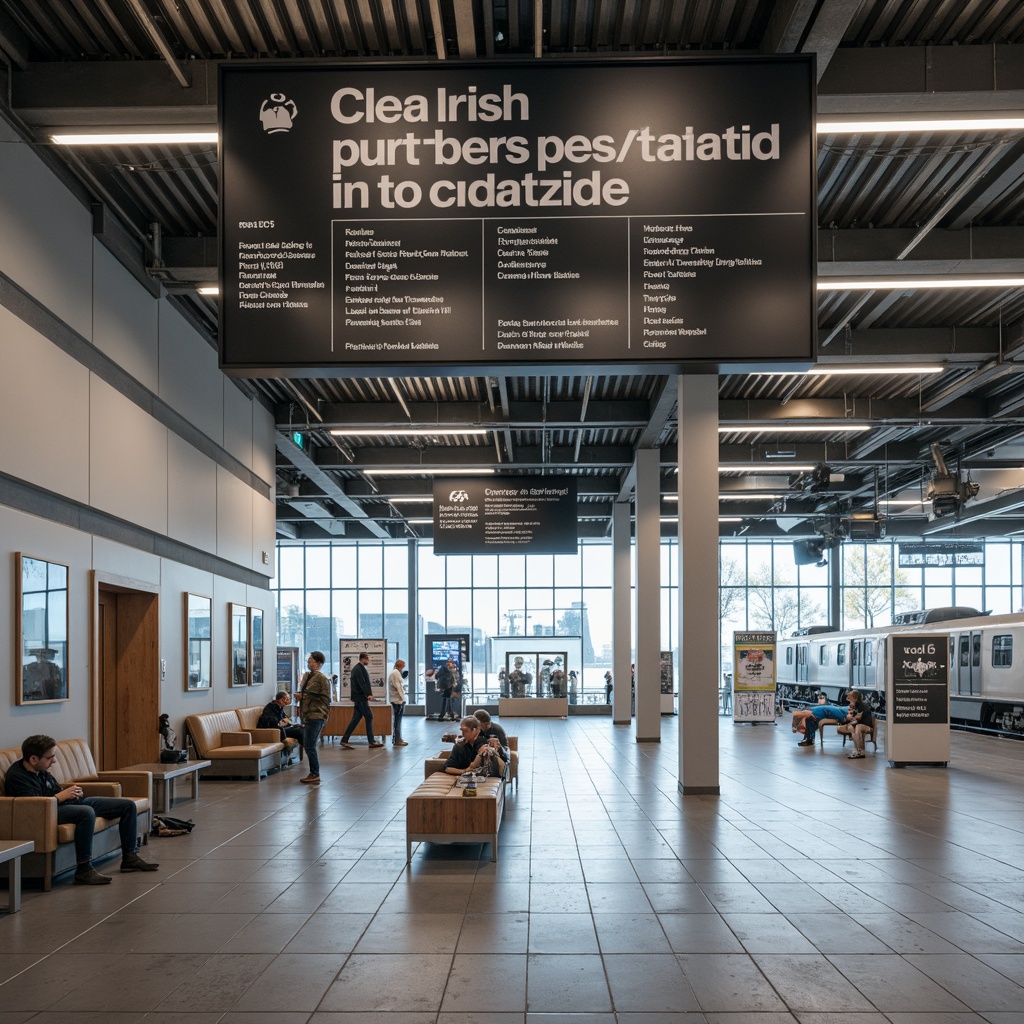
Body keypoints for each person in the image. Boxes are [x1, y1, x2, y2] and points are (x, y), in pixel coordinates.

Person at [4, 734, 158, 884]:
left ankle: (130, 857)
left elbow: (54, 791)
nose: (55, 761)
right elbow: (34, 808)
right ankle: (84, 869)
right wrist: (61, 797)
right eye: (50, 757)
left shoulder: (40, 770)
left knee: (127, 806)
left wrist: (72, 793)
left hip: (61, 805)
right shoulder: (18, 777)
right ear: (33, 759)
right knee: (86, 813)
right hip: (46, 814)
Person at [298, 651, 331, 782]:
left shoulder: (320, 678)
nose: (308, 663)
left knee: (310, 744)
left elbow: (308, 693)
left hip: (316, 714)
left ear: (319, 664)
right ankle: (313, 772)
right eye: (308, 661)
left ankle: (314, 773)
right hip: (308, 714)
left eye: (311, 661)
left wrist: (301, 695)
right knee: (308, 743)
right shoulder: (309, 676)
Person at [341, 652, 383, 749]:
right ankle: (371, 741)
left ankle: (344, 740)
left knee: (356, 718)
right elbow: (362, 683)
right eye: (368, 659)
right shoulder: (359, 669)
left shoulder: (359, 668)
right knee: (369, 716)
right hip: (360, 698)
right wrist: (368, 694)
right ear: (364, 659)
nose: (369, 661)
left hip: (359, 697)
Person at [838, 688, 875, 759]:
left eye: (850, 698)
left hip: (867, 726)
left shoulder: (862, 705)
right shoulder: (854, 706)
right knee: (852, 728)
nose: (849, 699)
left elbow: (858, 718)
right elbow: (853, 718)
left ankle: (860, 751)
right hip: (858, 724)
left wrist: (854, 718)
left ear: (855, 698)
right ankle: (856, 750)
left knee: (858, 727)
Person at [389, 658, 408, 746]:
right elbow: (399, 687)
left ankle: (398, 738)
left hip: (397, 700)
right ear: (399, 665)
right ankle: (397, 739)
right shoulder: (396, 674)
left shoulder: (395, 673)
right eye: (403, 666)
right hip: (397, 701)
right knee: (398, 721)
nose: (403, 668)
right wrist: (403, 699)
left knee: (398, 720)